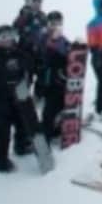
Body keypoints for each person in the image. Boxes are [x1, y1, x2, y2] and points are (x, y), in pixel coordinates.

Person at [0, 25, 40, 172]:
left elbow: (30, 65)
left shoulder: (19, 53)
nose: (6, 40)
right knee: (1, 130)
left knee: (26, 121)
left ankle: (22, 146)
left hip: (20, 91)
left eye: (10, 36)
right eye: (3, 37)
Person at [35, 13, 72, 141]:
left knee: (61, 104)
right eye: (53, 23)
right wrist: (53, 44)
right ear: (48, 24)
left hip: (61, 79)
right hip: (48, 80)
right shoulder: (43, 37)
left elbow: (69, 51)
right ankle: (46, 132)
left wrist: (76, 47)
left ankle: (57, 128)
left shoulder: (62, 38)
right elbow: (43, 54)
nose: (56, 26)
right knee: (50, 107)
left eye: (58, 23)